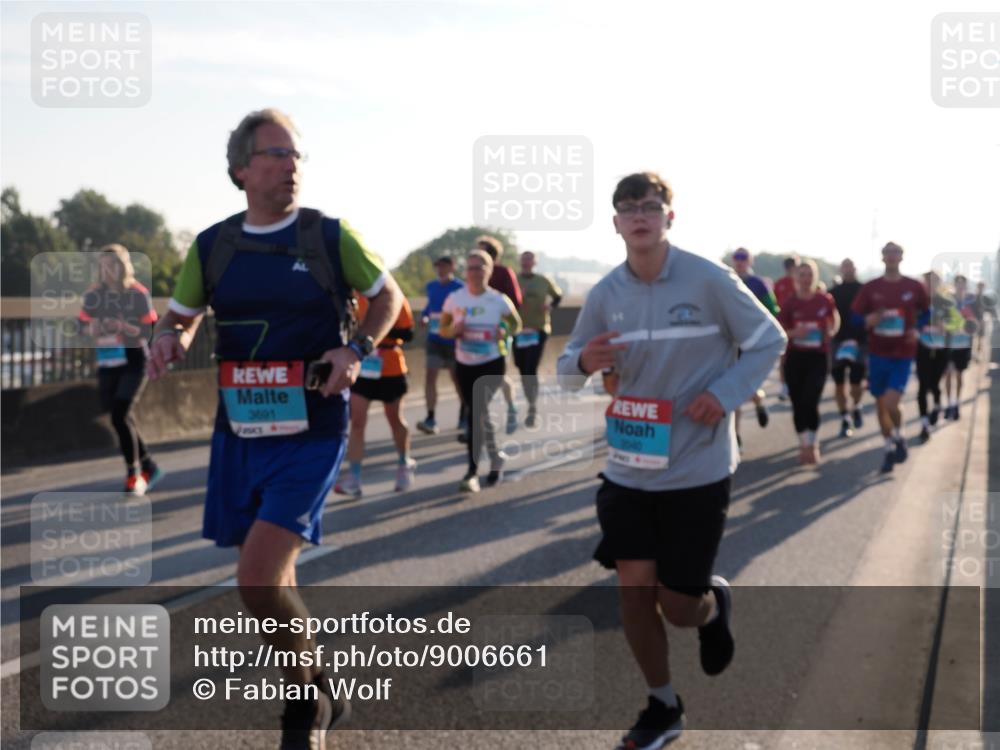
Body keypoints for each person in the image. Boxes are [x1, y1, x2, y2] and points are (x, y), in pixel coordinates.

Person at [146, 109, 403, 749]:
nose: (291, 166)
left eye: (296, 156)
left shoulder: (328, 235)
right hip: (241, 428)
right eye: (277, 155)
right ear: (241, 168)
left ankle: (303, 707)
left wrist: (356, 349)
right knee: (273, 580)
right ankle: (318, 683)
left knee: (257, 578)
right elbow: (180, 316)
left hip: (313, 426)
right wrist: (167, 340)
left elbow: (390, 296)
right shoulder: (212, 246)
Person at [558, 172, 786, 749]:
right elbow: (565, 370)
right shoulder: (607, 293)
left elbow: (769, 338)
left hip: (697, 469)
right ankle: (662, 704)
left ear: (668, 219)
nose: (640, 215)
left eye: (651, 206)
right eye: (628, 208)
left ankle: (712, 606)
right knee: (634, 589)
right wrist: (583, 359)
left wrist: (726, 394)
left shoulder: (710, 280)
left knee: (678, 607)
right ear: (615, 223)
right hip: (629, 467)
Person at [79, 244, 162, 495]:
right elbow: (81, 325)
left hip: (134, 361)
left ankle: (134, 473)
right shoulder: (93, 294)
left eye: (112, 264)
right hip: (107, 362)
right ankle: (149, 465)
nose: (107, 270)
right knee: (118, 415)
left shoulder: (137, 293)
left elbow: (149, 330)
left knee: (119, 414)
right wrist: (91, 328)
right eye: (103, 265)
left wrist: (124, 327)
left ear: (123, 265)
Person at [440, 249, 522, 492]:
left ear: (489, 271)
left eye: (480, 267)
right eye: (471, 268)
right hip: (464, 362)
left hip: (492, 362)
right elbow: (441, 328)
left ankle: (471, 472)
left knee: (476, 412)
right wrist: (453, 330)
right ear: (465, 271)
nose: (475, 273)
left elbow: (516, 324)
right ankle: (496, 457)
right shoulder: (455, 299)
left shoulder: (498, 300)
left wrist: (504, 331)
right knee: (478, 413)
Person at [851, 242, 929, 473]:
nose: (892, 256)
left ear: (902, 257)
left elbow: (929, 313)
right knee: (880, 404)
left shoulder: (914, 286)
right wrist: (869, 320)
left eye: (896, 252)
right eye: (888, 252)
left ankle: (899, 434)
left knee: (891, 402)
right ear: (882, 257)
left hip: (903, 353)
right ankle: (889, 446)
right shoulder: (871, 287)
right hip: (878, 353)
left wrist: (919, 329)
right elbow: (854, 317)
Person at [334, 295, 416, 498]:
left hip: (391, 366)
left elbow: (408, 333)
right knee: (358, 421)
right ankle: (353, 477)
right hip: (362, 366)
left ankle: (404, 463)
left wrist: (377, 329)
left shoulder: (395, 297)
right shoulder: (353, 299)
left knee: (394, 419)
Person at [778, 259, 839, 464]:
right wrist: (795, 332)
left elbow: (834, 319)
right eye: (802, 274)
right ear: (796, 278)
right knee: (797, 403)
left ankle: (812, 444)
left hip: (818, 357)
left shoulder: (824, 299)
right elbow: (779, 331)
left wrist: (831, 330)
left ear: (816, 277)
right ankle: (803, 443)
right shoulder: (790, 302)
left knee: (810, 399)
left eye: (809, 274)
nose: (806, 279)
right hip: (796, 357)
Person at [476, 235, 523, 434]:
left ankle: (511, 407)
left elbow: (515, 302)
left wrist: (503, 326)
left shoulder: (504, 273)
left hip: (499, 335)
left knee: (498, 375)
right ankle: (474, 423)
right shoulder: (474, 274)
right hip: (475, 335)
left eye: (482, 251)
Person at [730, 248, 775, 445]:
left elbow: (772, 311)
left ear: (750, 261)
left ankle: (759, 402)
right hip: (729, 343)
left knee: (748, 387)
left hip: (751, 342)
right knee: (732, 388)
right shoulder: (727, 280)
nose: (740, 262)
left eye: (743, 258)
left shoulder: (758, 284)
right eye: (737, 258)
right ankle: (735, 436)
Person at [416, 256, 465, 436]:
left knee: (456, 379)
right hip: (434, 339)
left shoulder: (460, 288)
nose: (440, 270)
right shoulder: (431, 286)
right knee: (430, 376)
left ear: (451, 267)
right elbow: (430, 307)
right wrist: (424, 317)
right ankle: (430, 418)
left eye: (443, 266)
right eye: (437, 266)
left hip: (453, 341)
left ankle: (464, 414)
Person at [515, 250, 563, 427]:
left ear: (534, 262)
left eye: (529, 259)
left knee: (530, 367)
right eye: (524, 258)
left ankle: (532, 407)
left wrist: (550, 306)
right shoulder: (514, 279)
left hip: (538, 329)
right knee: (521, 367)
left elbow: (558, 296)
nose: (526, 262)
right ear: (520, 261)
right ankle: (530, 398)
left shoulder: (543, 280)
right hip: (518, 330)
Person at [829, 258, 867, 438]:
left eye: (850, 266)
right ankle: (845, 418)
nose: (847, 270)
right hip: (837, 342)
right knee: (838, 384)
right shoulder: (832, 293)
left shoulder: (864, 290)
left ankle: (857, 405)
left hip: (859, 343)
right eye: (844, 266)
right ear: (840, 269)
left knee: (855, 384)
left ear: (855, 268)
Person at [915, 271, 950, 443]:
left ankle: (937, 405)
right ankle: (924, 424)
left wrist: (946, 326)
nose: (930, 285)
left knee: (935, 384)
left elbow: (958, 324)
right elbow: (911, 321)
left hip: (941, 349)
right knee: (922, 386)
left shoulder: (945, 302)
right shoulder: (918, 302)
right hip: (922, 348)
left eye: (934, 282)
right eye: (927, 281)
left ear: (939, 283)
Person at [943, 274, 977, 421]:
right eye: (958, 284)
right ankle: (949, 403)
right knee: (948, 374)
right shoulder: (947, 301)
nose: (960, 286)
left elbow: (976, 322)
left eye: (963, 284)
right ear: (954, 284)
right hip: (949, 344)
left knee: (959, 375)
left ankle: (956, 403)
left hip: (964, 344)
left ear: (966, 286)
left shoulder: (971, 301)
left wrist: (969, 324)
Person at [773, 255, 799, 401]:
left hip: (800, 326)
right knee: (784, 356)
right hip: (784, 326)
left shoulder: (801, 282)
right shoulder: (780, 284)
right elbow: (775, 304)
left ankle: (795, 384)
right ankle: (784, 386)